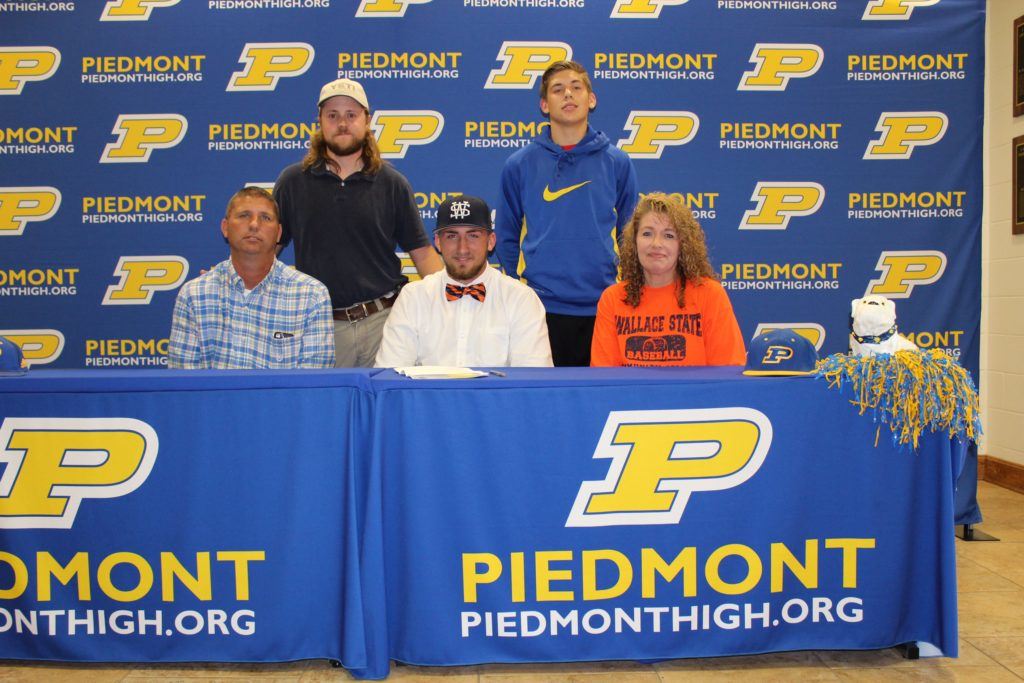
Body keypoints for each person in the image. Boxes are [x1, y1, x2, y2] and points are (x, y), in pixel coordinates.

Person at [274, 78, 443, 367]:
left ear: (367, 120)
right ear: (319, 122)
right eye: (333, 115)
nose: (342, 123)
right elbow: (269, 248)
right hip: (321, 327)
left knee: (388, 410)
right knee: (330, 411)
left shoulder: (392, 183)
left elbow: (423, 253)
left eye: (351, 115)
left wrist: (454, 293)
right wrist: (231, 277)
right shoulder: (292, 182)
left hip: (385, 323)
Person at [495, 59, 638, 367]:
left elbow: (631, 235)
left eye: (576, 87)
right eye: (558, 90)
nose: (568, 95)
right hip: (539, 309)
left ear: (592, 99)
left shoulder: (618, 162)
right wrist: (522, 291)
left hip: (603, 305)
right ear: (545, 105)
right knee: (545, 406)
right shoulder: (519, 165)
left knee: (598, 403)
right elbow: (505, 236)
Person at [376, 195, 553, 368]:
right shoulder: (413, 298)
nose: (462, 248)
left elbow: (531, 380)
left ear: (490, 241)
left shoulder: (521, 299)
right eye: (452, 236)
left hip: (495, 399)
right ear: (438, 242)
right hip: (430, 398)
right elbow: (391, 374)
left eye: (473, 236)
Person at [168, 188, 334, 369]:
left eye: (265, 218)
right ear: (225, 227)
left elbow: (313, 386)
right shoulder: (194, 295)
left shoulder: (311, 295)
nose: (254, 224)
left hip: (282, 399)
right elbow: (184, 384)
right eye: (244, 215)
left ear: (278, 233)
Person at [591, 192, 745, 367]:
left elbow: (728, 371)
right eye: (647, 233)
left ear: (683, 245)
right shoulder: (612, 299)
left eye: (669, 235)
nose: (656, 244)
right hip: (632, 395)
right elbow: (604, 379)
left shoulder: (710, 294)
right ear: (634, 242)